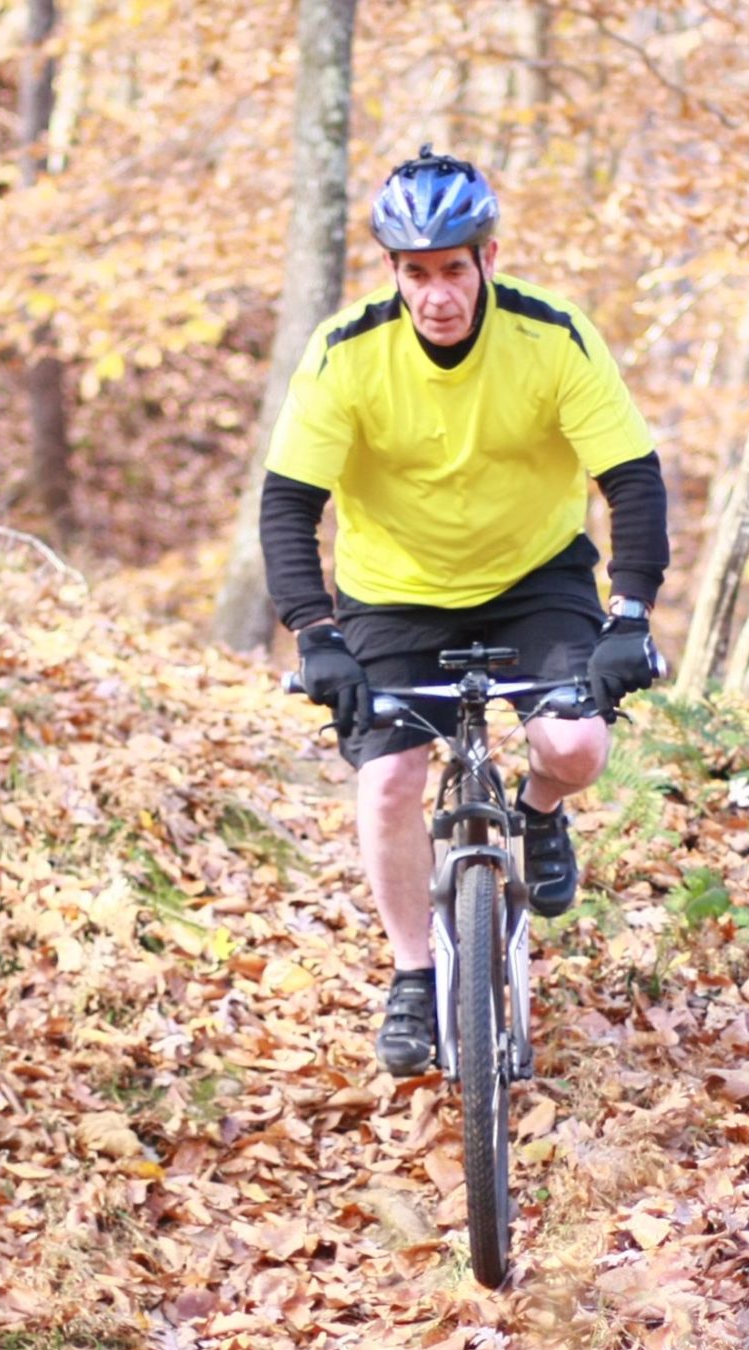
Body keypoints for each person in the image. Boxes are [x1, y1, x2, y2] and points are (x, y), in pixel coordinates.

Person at [260, 146, 670, 1075]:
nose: (437, 293)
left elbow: (632, 480)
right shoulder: (347, 353)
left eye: (453, 269)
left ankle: (536, 813)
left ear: (488, 258)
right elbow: (290, 503)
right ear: (393, 274)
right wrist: (315, 633)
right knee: (391, 778)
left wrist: (630, 613)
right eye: (416, 274)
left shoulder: (551, 337)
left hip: (534, 577)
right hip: (394, 592)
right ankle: (414, 976)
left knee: (575, 746)